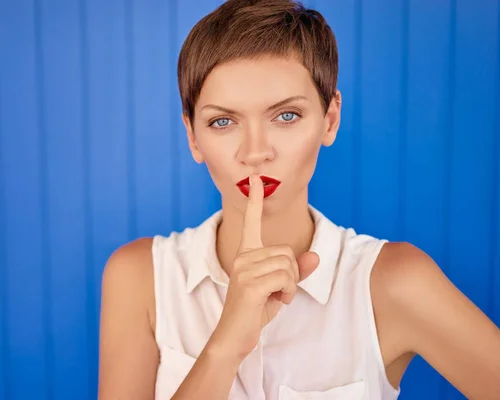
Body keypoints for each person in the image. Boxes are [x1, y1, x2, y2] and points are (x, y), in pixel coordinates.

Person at [98, 0, 500, 399]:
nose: (255, 152)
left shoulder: (394, 282)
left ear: (330, 119)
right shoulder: (140, 278)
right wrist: (224, 347)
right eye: (223, 121)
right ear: (192, 136)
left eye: (286, 116)